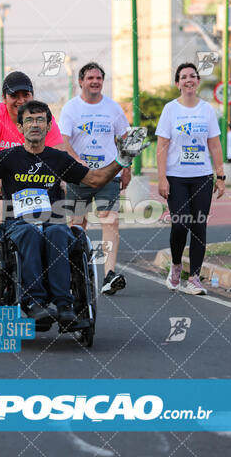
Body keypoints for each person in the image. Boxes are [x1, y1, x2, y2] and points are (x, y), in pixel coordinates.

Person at [0, 101, 148, 325]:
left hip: (53, 220)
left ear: (48, 126)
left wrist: (122, 160)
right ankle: (34, 302)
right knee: (29, 233)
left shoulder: (59, 159)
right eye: (29, 120)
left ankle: (64, 305)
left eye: (40, 120)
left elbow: (95, 179)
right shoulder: (9, 158)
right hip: (17, 223)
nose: (34, 124)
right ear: (20, 127)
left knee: (58, 232)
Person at [59, 62, 130, 296]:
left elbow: (125, 138)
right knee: (77, 225)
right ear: (81, 81)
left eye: (99, 78)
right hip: (79, 176)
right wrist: (75, 160)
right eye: (90, 78)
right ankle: (76, 270)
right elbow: (64, 141)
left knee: (110, 220)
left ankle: (109, 275)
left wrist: (126, 168)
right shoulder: (71, 108)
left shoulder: (113, 108)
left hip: (108, 173)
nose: (95, 81)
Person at [156, 62, 225, 295]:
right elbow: (162, 146)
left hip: (202, 177)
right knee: (180, 224)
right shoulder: (170, 110)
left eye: (193, 76)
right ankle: (176, 266)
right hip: (176, 177)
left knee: (199, 226)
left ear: (197, 81)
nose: (189, 80)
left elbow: (214, 145)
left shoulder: (207, 109)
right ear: (178, 83)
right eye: (184, 76)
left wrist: (221, 176)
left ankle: (194, 277)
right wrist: (162, 178)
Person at [0, 71, 64, 230]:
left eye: (26, 95)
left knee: (53, 231)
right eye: (15, 96)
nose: (21, 101)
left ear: (32, 96)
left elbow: (58, 154)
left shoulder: (43, 117)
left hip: (33, 185)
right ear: (4, 98)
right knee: (3, 233)